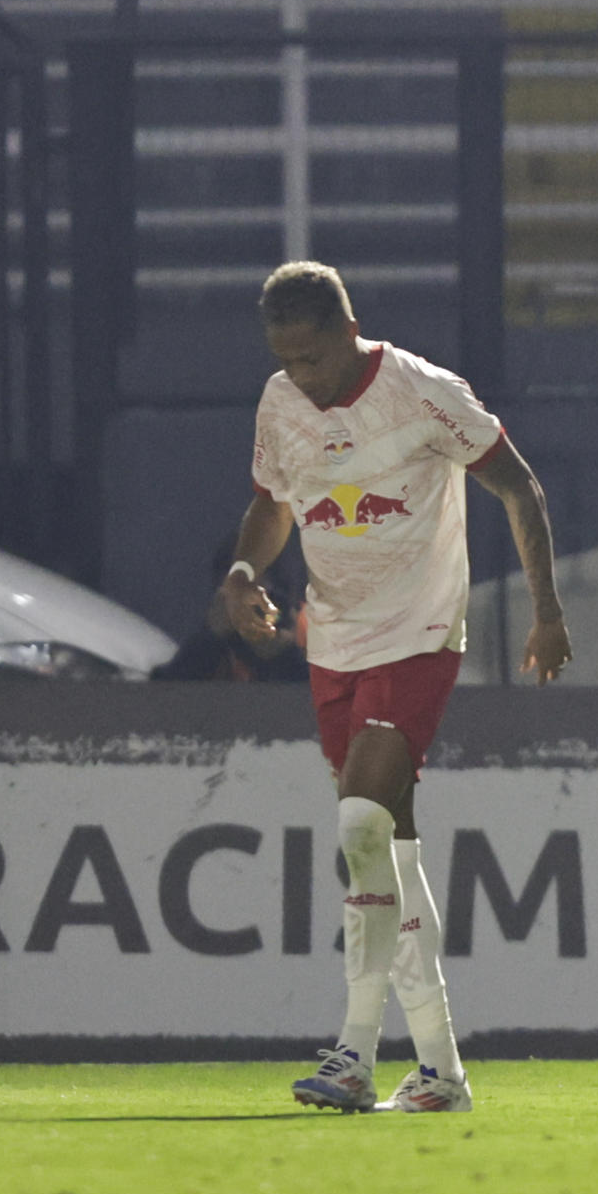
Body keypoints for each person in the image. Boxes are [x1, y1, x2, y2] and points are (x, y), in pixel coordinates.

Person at [220, 261, 571, 1114]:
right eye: (285, 360)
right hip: (332, 639)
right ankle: (443, 1072)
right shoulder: (280, 402)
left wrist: (547, 610)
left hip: (416, 634)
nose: (298, 376)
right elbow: (275, 501)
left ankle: (353, 1053)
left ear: (347, 332)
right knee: (392, 856)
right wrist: (242, 569)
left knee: (359, 824)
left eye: (309, 357)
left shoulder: (424, 393)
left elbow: (517, 482)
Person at [153, 534, 310, 682]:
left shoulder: (313, 642)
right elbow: (164, 697)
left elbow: (320, 701)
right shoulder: (214, 650)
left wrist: (284, 656)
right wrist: (209, 640)